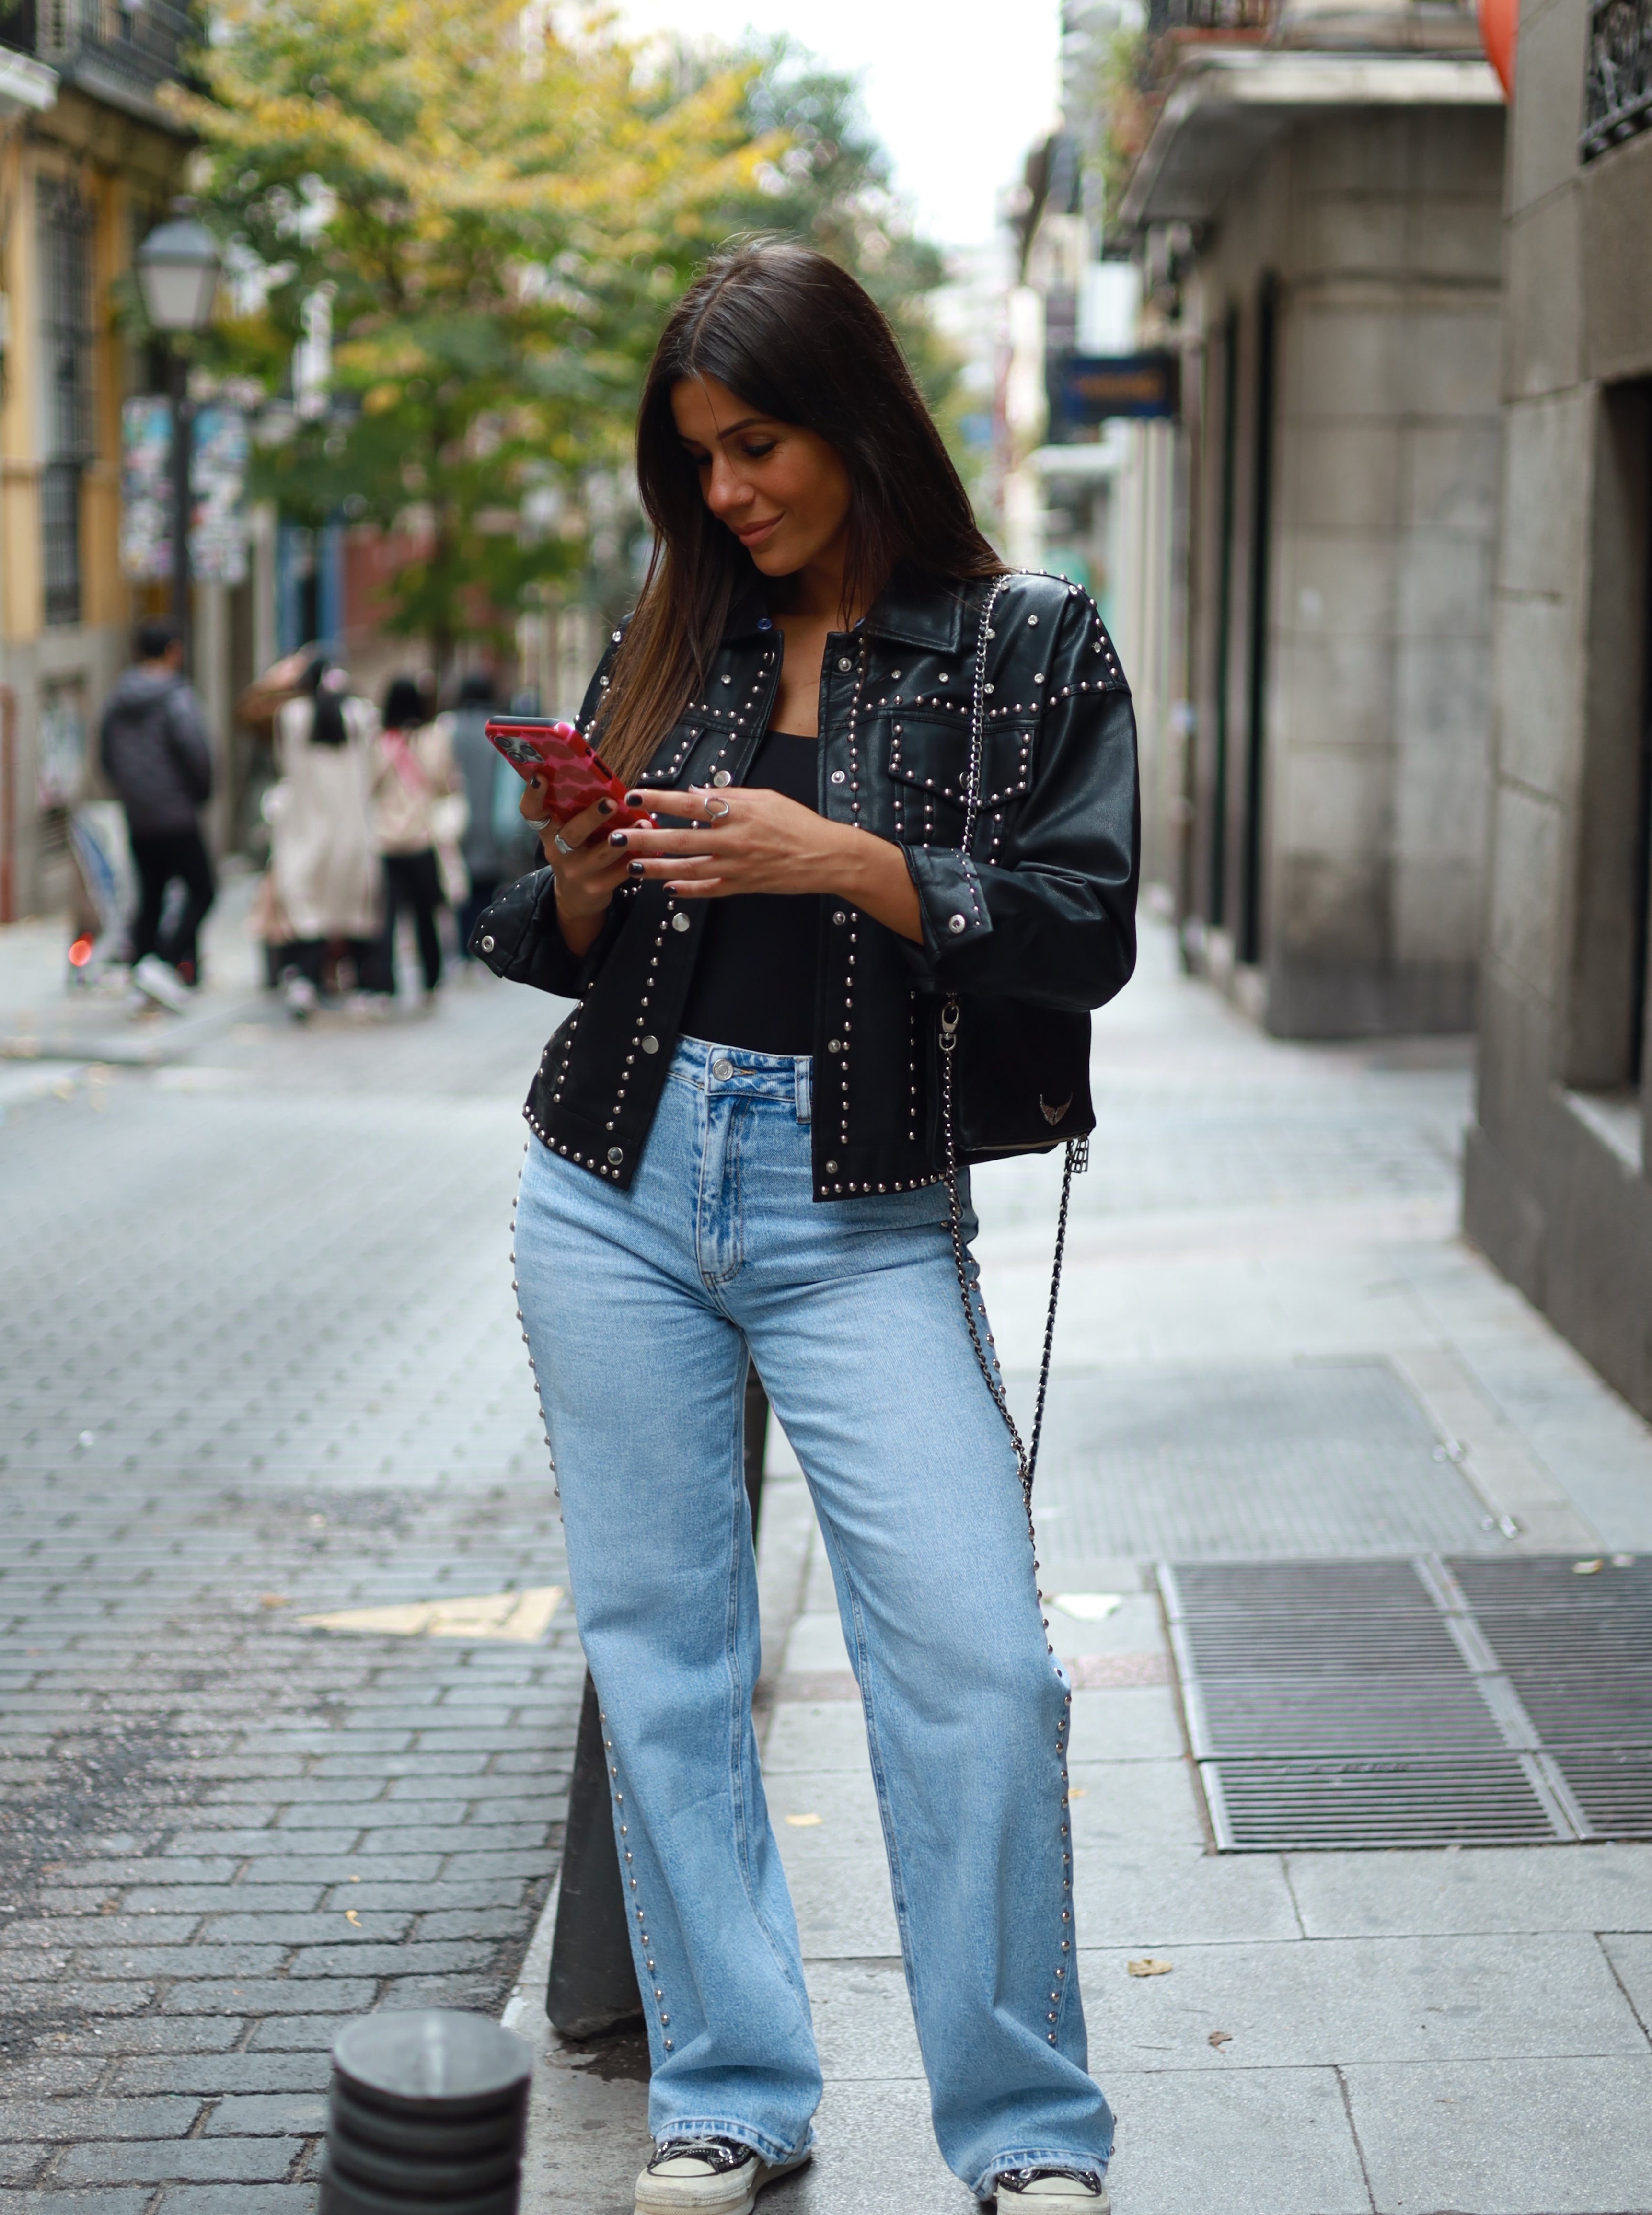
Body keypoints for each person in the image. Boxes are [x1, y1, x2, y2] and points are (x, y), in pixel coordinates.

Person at [476, 245, 1138, 2214]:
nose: (728, 495)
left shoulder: (1028, 645)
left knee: (982, 1672)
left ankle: (1026, 2137)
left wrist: (846, 860)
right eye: (696, 464)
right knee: (664, 1660)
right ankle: (734, 2096)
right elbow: (551, 947)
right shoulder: (671, 635)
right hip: (612, 1183)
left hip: (857, 1206)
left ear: (854, 416)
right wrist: (585, 885)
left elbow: (1088, 926)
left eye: (754, 447)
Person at [98, 620, 215, 1005]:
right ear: (173, 652)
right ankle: (163, 963)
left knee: (150, 898)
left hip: (139, 816)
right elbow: (195, 751)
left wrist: (132, 794)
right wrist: (200, 793)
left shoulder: (117, 700)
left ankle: (143, 973)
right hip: (176, 814)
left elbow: (105, 757)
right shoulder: (175, 697)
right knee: (204, 888)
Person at [267, 655, 381, 1017]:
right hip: (352, 828)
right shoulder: (361, 717)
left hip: (306, 827)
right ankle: (365, 982)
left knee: (307, 908)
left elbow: (282, 764)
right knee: (356, 907)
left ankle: (305, 980)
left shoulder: (291, 718)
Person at [369, 675, 461, 1000]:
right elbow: (445, 784)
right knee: (426, 913)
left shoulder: (380, 742)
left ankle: (383, 983)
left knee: (385, 919)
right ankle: (431, 978)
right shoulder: (434, 738)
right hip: (421, 839)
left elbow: (368, 787)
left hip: (385, 841)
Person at [448, 671, 515, 953]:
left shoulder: (450, 729)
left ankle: (463, 947)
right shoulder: (498, 730)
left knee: (461, 886)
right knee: (487, 887)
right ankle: (484, 944)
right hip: (492, 819)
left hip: (457, 818)